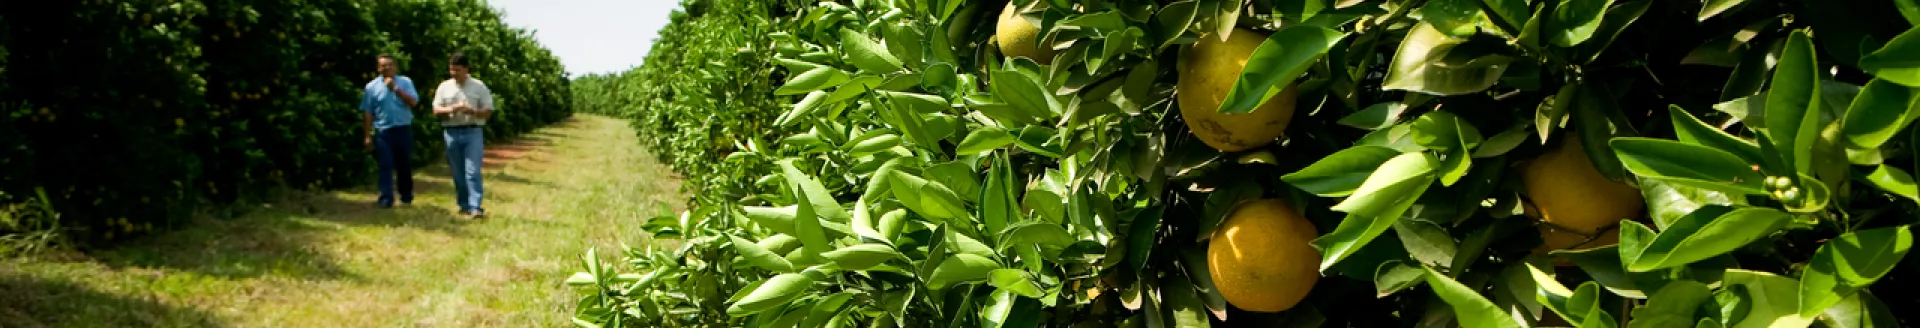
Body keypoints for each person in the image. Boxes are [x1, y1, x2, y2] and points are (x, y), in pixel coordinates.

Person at [431, 53, 494, 218]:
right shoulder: (444, 87)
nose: (454, 73)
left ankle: (476, 207)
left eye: (457, 70)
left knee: (472, 171)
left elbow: (488, 111)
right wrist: (452, 109)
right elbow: (436, 109)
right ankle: (464, 204)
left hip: (472, 131)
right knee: (457, 172)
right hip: (451, 132)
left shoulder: (479, 87)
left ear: (466, 69)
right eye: (452, 69)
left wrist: (472, 111)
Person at [359, 53, 419, 208]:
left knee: (404, 164)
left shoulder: (406, 82)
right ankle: (386, 198)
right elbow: (367, 112)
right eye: (383, 65)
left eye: (390, 64)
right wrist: (367, 135)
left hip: (403, 129)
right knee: (385, 164)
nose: (387, 68)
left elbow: (413, 102)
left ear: (395, 66)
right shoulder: (371, 87)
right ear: (378, 68)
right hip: (383, 132)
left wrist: (396, 89)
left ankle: (406, 196)